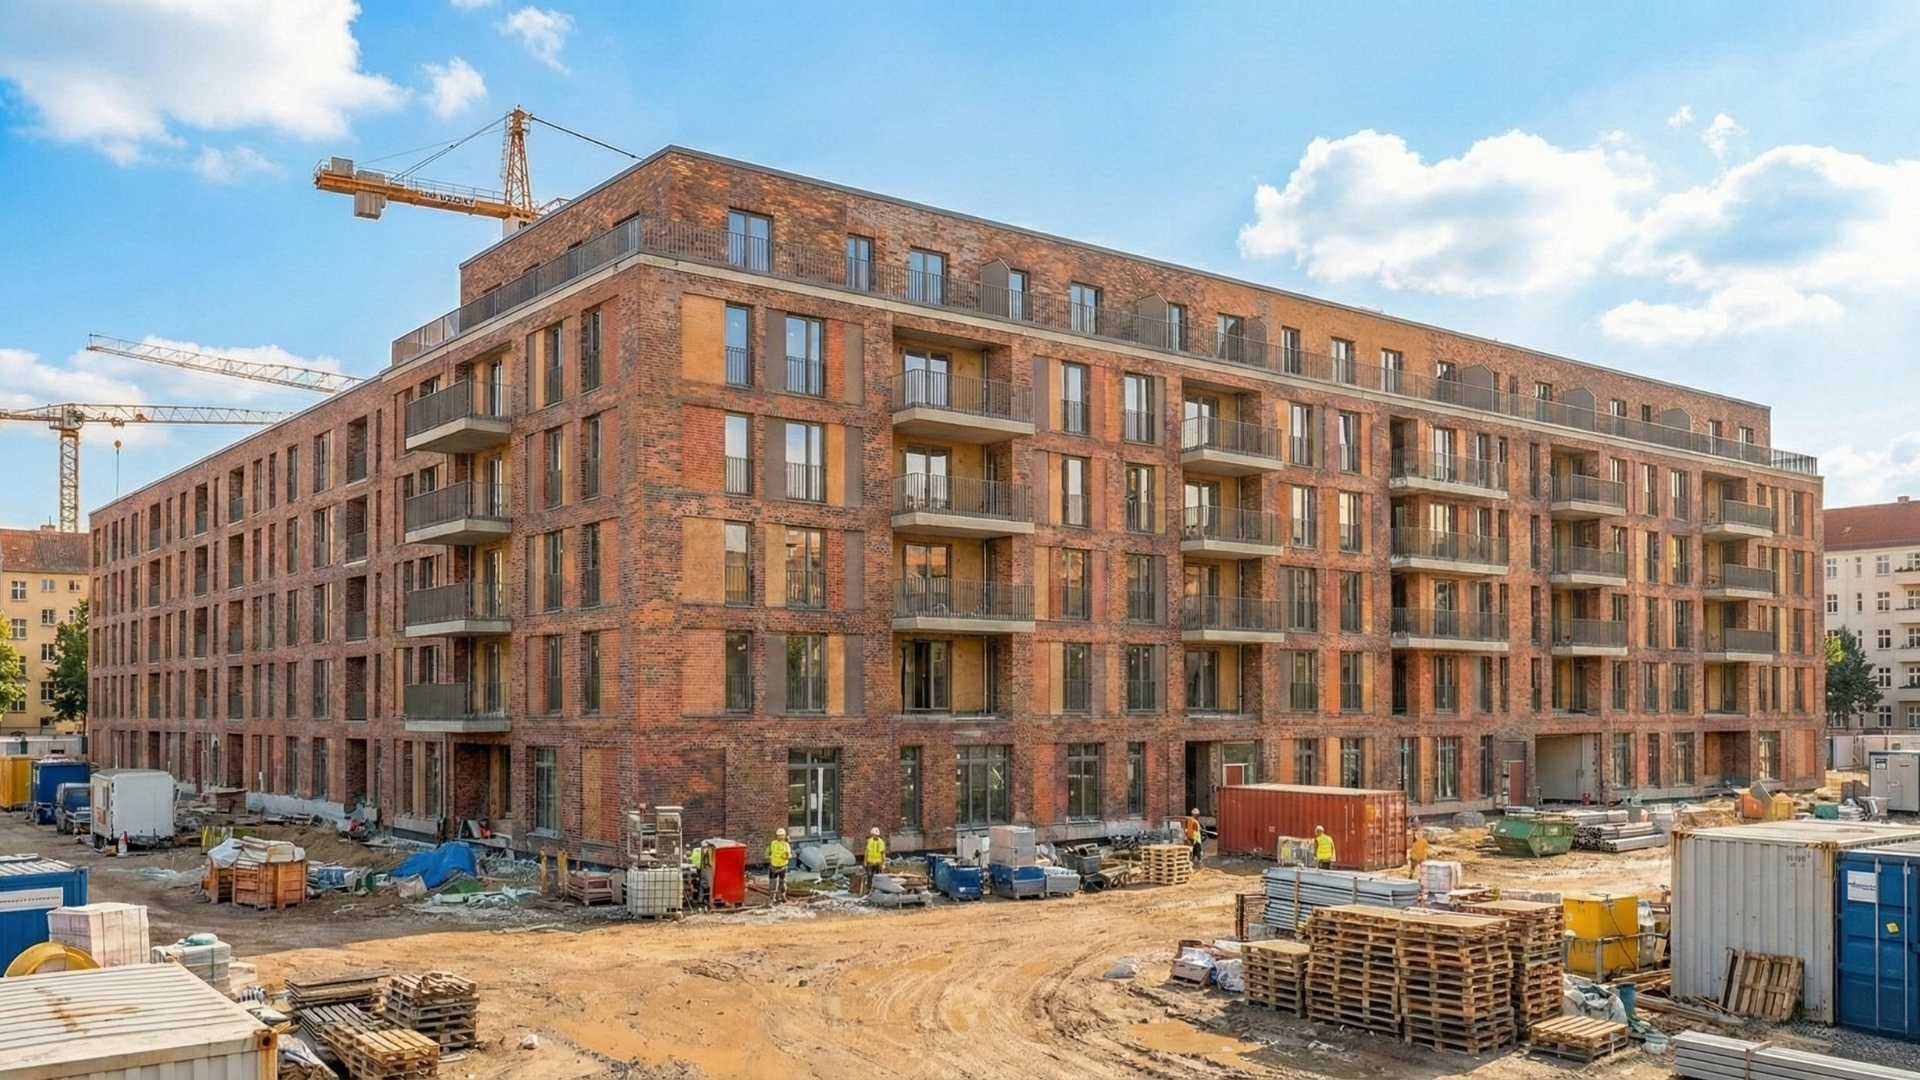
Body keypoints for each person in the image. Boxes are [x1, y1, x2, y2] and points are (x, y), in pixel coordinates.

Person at [768, 827, 791, 904]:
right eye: (779, 835)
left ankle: (778, 897)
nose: (780, 837)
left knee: (780, 882)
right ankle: (776, 897)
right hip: (775, 866)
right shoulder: (780, 844)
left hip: (781, 866)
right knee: (775, 882)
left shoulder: (783, 844)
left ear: (784, 836)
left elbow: (788, 855)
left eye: (781, 835)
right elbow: (788, 855)